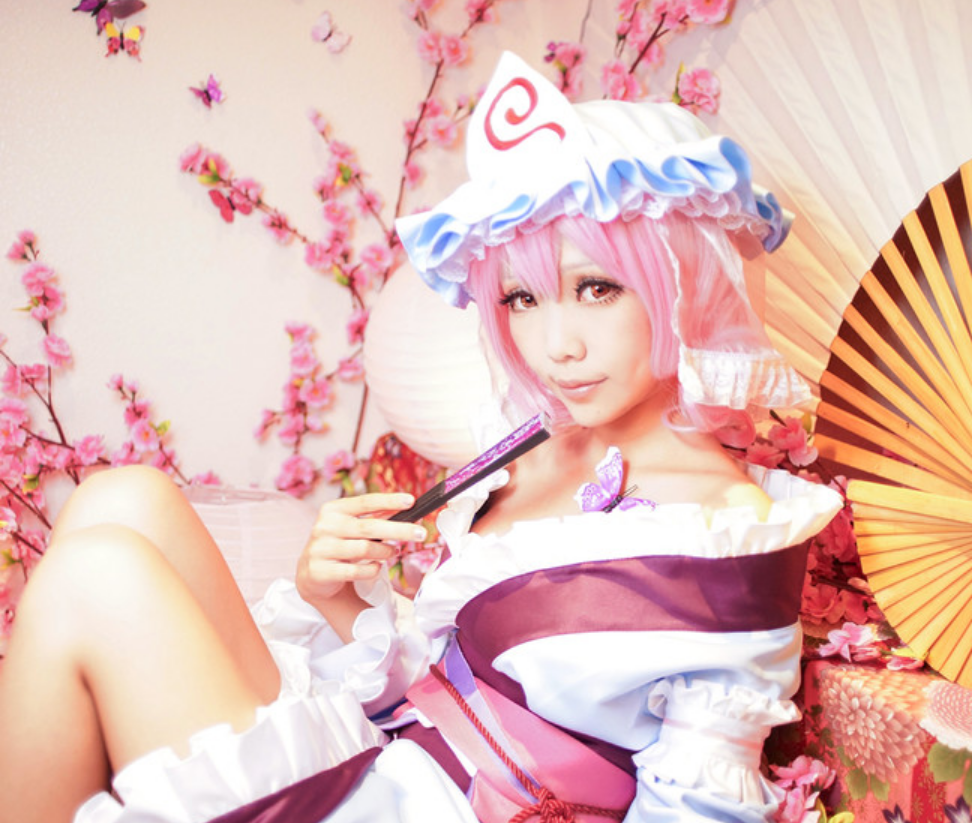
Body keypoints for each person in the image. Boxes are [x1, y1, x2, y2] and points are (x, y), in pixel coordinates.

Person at [0, 52, 841, 823]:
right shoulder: (527, 446)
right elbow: (442, 685)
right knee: (124, 497)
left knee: (94, 574)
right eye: (522, 299)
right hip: (398, 761)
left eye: (596, 288)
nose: (556, 345)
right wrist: (337, 597)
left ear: (685, 277)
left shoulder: (734, 538)